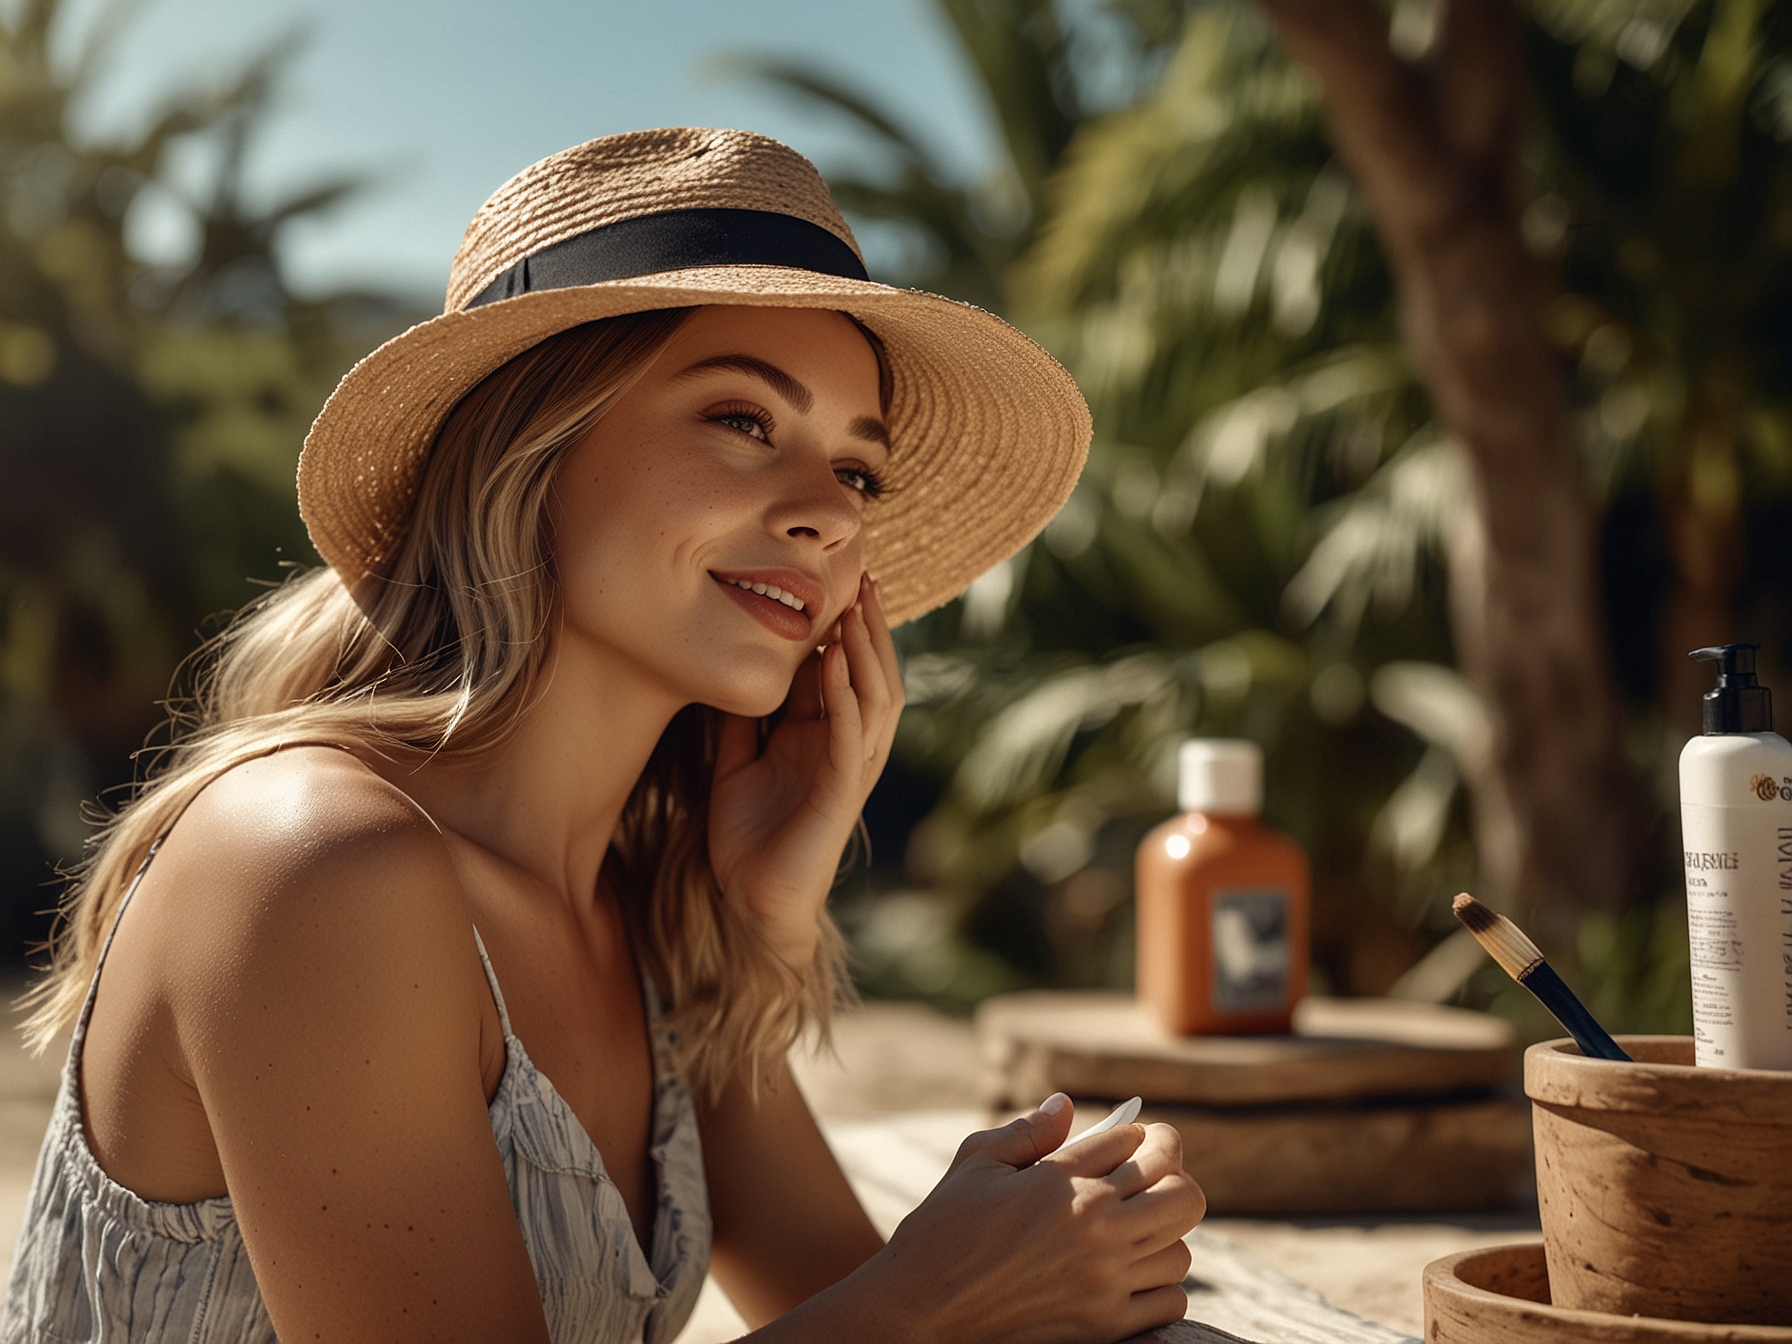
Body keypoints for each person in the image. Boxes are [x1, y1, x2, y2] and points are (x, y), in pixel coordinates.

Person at [2, 128, 1206, 1344]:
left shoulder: (645, 921)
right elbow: (897, 1320)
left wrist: (760, 933)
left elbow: (835, 1296)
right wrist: (936, 1295)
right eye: (741, 419)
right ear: (530, 450)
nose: (825, 518)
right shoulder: (310, 861)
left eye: (858, 473)